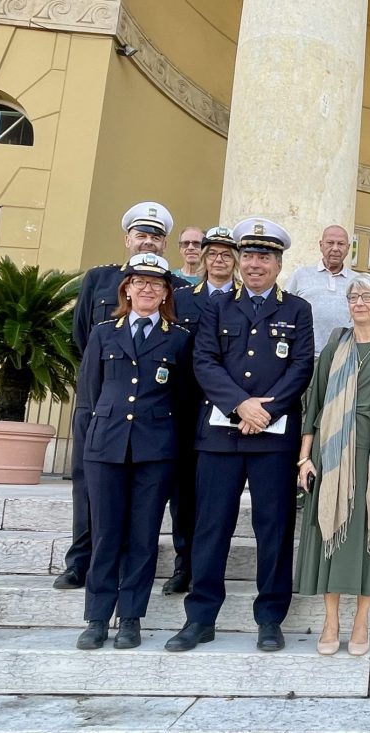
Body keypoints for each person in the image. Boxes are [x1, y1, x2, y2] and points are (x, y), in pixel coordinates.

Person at [165, 217, 314, 653]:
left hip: (273, 437)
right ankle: (200, 618)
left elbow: (301, 366)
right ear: (238, 260)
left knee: (274, 529)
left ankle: (270, 618)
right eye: (248, 255)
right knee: (211, 527)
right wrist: (240, 405)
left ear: (278, 264)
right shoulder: (217, 305)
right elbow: (204, 361)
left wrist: (263, 411)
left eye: (264, 257)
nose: (254, 264)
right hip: (220, 437)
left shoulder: (297, 309)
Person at [56, 202, 186, 591]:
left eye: (156, 237)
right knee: (88, 482)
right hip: (99, 399)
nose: (148, 242)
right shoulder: (99, 279)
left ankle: (129, 566)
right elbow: (84, 334)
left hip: (148, 408)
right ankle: (81, 560)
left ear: (165, 245)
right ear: (127, 239)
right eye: (141, 235)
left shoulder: (174, 286)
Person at [75, 253, 192, 650]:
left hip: (155, 449)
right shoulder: (103, 333)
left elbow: (183, 400)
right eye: (139, 282)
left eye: (156, 284)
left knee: (143, 537)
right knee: (106, 535)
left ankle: (130, 618)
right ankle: (96, 618)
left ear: (166, 294)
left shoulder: (179, 339)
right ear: (126, 289)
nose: (147, 289)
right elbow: (90, 393)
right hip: (106, 446)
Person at [294, 274, 370, 656]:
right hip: (332, 451)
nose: (358, 303)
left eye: (366, 297)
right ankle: (331, 621)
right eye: (353, 297)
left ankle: (361, 621)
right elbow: (315, 402)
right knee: (329, 528)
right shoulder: (335, 344)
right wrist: (304, 457)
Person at [163, 226, 240, 595]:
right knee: (184, 492)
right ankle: (184, 564)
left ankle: (209, 566)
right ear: (203, 259)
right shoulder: (181, 299)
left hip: (226, 410)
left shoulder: (245, 300)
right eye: (213, 254)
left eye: (226, 255)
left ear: (235, 261)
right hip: (186, 407)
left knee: (216, 495)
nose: (219, 260)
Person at [285, 224, 357, 357]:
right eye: (330, 243)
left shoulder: (358, 281)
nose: (335, 248)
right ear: (321, 245)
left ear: (348, 248)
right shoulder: (301, 275)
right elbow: (285, 310)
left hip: (345, 356)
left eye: (341, 244)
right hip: (306, 355)